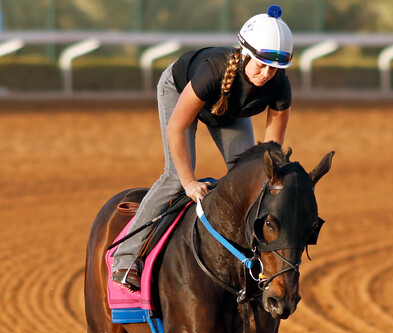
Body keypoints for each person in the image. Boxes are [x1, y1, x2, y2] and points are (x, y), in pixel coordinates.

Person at [111, 5, 294, 291]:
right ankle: (126, 258)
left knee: (252, 180)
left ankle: (248, 257)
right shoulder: (212, 72)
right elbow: (176, 127)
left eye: (275, 68)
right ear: (245, 53)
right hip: (179, 90)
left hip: (226, 108)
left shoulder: (280, 85)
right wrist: (188, 181)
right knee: (174, 178)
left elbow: (270, 151)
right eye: (262, 65)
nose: (267, 74)